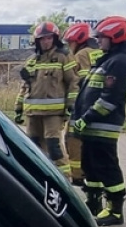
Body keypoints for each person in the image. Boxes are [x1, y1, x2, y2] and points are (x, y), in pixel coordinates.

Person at [69, 16, 126, 226]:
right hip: (91, 125)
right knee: (90, 166)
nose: (97, 41)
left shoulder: (120, 62)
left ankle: (115, 210)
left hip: (102, 126)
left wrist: (87, 117)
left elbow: (111, 98)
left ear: (115, 37)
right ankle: (94, 203)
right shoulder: (107, 59)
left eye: (102, 37)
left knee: (107, 166)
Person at [14, 22, 78, 178]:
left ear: (55, 39)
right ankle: (39, 179)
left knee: (54, 146)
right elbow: (25, 86)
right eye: (42, 39)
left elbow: (73, 82)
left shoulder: (63, 57)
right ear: (37, 41)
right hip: (32, 113)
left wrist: (71, 105)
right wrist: (18, 106)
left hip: (54, 113)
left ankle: (65, 181)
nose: (46, 42)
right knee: (34, 147)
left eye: (49, 38)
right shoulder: (32, 60)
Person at [62, 23, 103, 187]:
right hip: (97, 105)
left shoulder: (81, 55)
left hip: (81, 104)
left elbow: (76, 81)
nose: (69, 47)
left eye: (69, 43)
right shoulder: (99, 52)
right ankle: (93, 174)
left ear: (78, 41)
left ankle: (77, 175)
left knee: (73, 140)